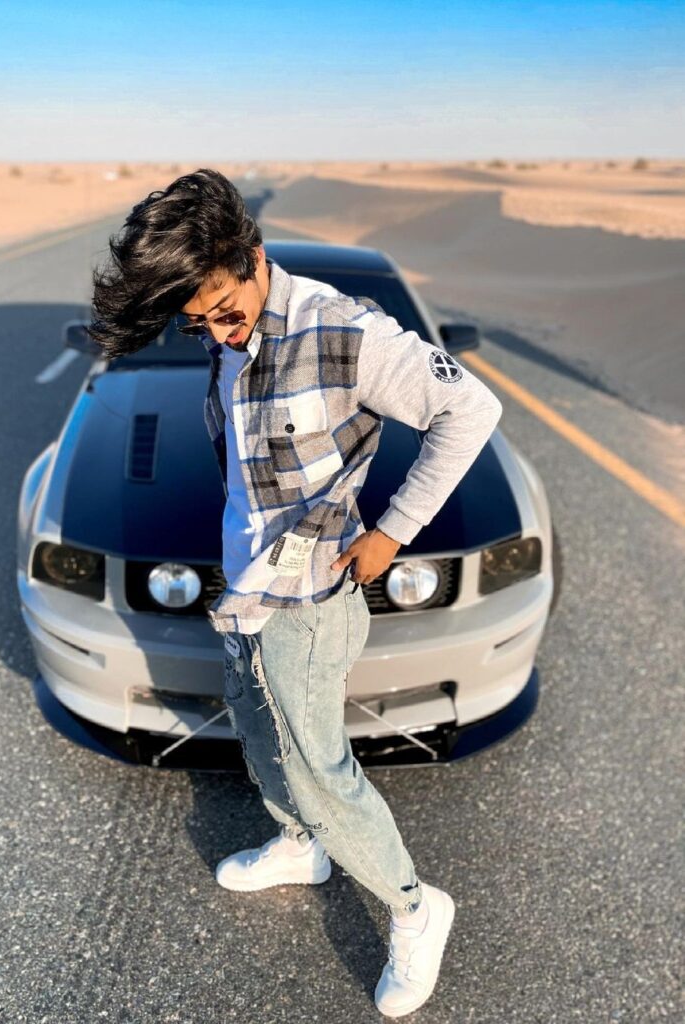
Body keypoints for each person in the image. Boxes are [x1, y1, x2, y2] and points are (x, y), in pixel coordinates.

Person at [88, 168, 503, 1017]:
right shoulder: (219, 328)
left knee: (319, 767)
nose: (215, 332)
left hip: (308, 602)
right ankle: (298, 845)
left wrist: (391, 532)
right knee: (258, 731)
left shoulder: (343, 332)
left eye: (224, 311)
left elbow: (473, 410)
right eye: (194, 322)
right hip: (246, 588)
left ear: (253, 255)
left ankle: (415, 908)